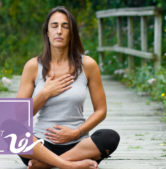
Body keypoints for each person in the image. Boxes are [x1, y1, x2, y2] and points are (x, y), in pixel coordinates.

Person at [17, 6, 120, 169]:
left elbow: (101, 110)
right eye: (54, 26)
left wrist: (75, 133)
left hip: (78, 145)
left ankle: (47, 165)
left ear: (72, 33)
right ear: (47, 32)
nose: (59, 31)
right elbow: (18, 115)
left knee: (111, 137)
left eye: (65, 26)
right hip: (41, 145)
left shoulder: (88, 65)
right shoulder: (32, 66)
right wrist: (46, 93)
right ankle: (69, 165)